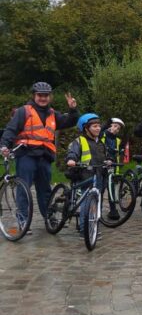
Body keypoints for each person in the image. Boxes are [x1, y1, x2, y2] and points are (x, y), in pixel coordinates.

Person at [0, 82, 79, 226]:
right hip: (26, 155)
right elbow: (10, 129)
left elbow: (69, 122)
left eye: (46, 95)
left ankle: (49, 218)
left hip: (44, 156)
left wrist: (73, 110)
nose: (43, 98)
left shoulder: (52, 113)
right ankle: (23, 220)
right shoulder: (24, 111)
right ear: (34, 96)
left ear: (50, 97)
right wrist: (4, 145)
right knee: (24, 189)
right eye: (40, 95)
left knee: (45, 190)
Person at [66, 113, 107, 238]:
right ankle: (84, 229)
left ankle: (93, 225)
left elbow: (103, 156)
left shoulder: (100, 142)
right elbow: (73, 152)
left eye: (99, 126)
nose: (98, 128)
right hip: (84, 175)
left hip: (98, 175)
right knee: (86, 202)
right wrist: (71, 160)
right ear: (86, 128)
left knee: (96, 202)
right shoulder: (80, 141)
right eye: (94, 126)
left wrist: (108, 161)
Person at [100, 117, 126, 220]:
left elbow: (118, 155)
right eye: (114, 126)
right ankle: (98, 210)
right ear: (109, 126)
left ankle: (113, 210)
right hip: (102, 165)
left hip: (112, 166)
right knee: (100, 189)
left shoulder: (117, 140)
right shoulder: (102, 135)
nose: (116, 129)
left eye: (118, 128)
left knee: (111, 189)